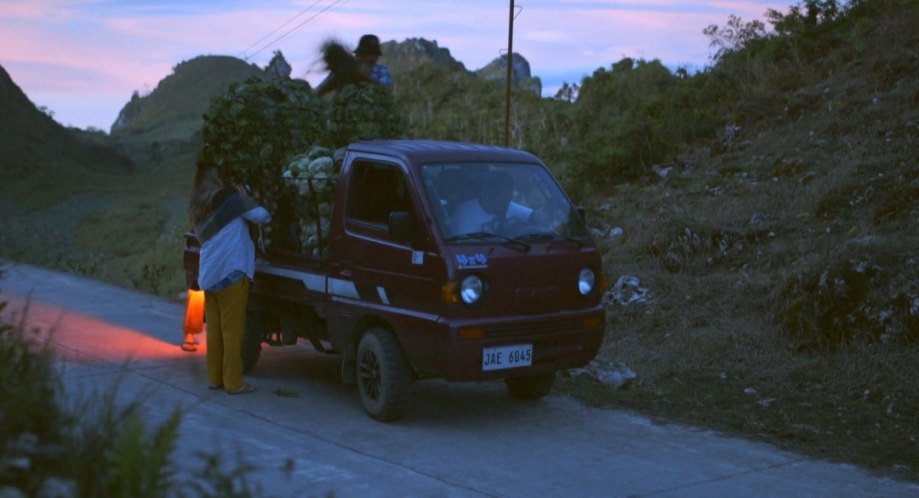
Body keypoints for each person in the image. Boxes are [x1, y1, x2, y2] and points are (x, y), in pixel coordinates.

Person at [187, 163, 271, 395]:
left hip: (210, 276)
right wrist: (244, 196)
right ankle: (234, 382)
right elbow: (262, 216)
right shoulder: (231, 199)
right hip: (232, 272)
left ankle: (215, 378)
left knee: (214, 332)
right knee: (233, 332)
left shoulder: (197, 206)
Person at [451, 171, 535, 234]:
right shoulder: (466, 213)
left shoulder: (508, 205)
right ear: (491, 192)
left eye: (509, 192)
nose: (509, 197)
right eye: (504, 192)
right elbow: (467, 249)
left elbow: (534, 215)